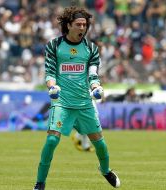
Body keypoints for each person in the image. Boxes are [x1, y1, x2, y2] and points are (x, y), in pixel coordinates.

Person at [33, 6, 120, 190]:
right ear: (69, 25)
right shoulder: (54, 46)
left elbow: (93, 74)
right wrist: (52, 87)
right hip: (62, 102)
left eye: (85, 25)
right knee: (51, 141)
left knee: (101, 145)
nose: (83, 28)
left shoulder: (91, 48)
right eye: (79, 24)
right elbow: (49, 73)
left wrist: (96, 87)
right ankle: (40, 183)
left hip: (84, 103)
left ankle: (105, 170)